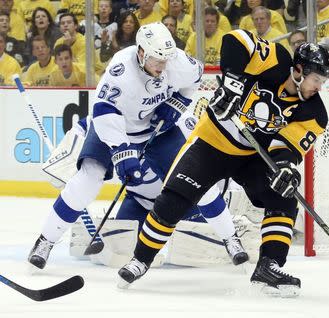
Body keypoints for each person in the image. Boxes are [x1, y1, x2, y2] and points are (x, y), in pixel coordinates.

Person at [118, 30, 329, 297]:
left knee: (284, 195)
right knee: (174, 199)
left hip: (253, 157)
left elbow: (286, 147)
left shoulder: (315, 113)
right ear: (299, 70)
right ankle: (140, 259)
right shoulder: (275, 59)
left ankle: (269, 266)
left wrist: (286, 168)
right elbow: (235, 39)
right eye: (316, 80)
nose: (319, 88)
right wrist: (232, 84)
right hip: (212, 143)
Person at [27, 22, 249, 271]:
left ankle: (231, 239)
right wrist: (122, 153)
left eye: (165, 60)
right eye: (156, 60)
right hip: (113, 127)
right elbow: (103, 112)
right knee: (89, 178)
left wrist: (179, 102)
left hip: (157, 130)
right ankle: (45, 241)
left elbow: (195, 77)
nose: (162, 67)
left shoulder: (173, 61)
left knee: (193, 179)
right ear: (141, 52)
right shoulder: (121, 71)